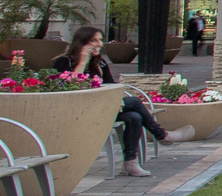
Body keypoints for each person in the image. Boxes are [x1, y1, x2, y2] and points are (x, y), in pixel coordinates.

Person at [60, 25, 187, 177]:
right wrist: (82, 63)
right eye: (94, 41)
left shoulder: (99, 64)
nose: (100, 45)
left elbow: (111, 85)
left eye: (100, 40)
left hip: (103, 109)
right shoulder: (64, 62)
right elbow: (70, 89)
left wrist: (117, 98)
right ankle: (162, 135)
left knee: (134, 117)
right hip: (79, 111)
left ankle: (130, 164)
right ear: (82, 42)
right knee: (133, 102)